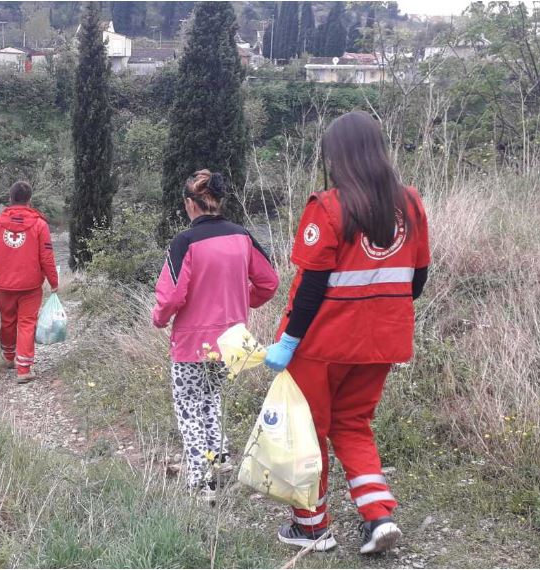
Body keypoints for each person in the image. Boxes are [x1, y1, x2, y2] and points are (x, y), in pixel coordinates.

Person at [264, 111, 431, 554]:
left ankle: (312, 528)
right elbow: (416, 281)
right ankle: (378, 517)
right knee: (354, 425)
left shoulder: (329, 207)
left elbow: (312, 285)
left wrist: (288, 342)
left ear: (336, 156)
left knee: (308, 431)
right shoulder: (410, 204)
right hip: (381, 343)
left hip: (323, 345)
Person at [152, 169, 279, 500]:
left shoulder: (185, 242)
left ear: (189, 205)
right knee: (212, 399)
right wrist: (240, 301)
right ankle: (220, 461)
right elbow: (269, 283)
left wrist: (158, 318)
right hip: (234, 338)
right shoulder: (242, 236)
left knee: (189, 406)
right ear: (219, 201)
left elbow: (171, 297)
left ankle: (199, 480)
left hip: (192, 340)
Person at [0, 181, 59, 384]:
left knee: (8, 321)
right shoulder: (40, 225)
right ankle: (23, 368)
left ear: (10, 198)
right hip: (30, 285)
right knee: (27, 323)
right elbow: (46, 257)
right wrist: (53, 281)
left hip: (4, 284)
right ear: (29, 199)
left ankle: (8, 357)